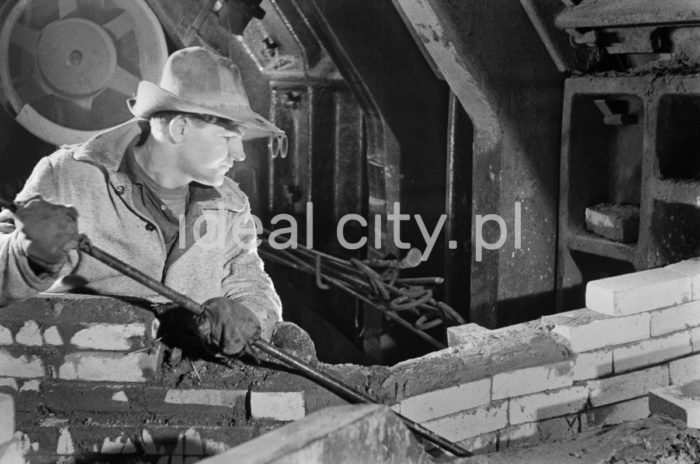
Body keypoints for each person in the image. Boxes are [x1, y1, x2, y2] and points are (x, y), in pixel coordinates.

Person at [0, 46, 299, 358]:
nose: (239, 155)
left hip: (187, 388)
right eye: (227, 139)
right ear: (179, 128)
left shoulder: (230, 204)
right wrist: (30, 256)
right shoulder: (70, 177)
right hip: (76, 374)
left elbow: (252, 286)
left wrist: (250, 319)